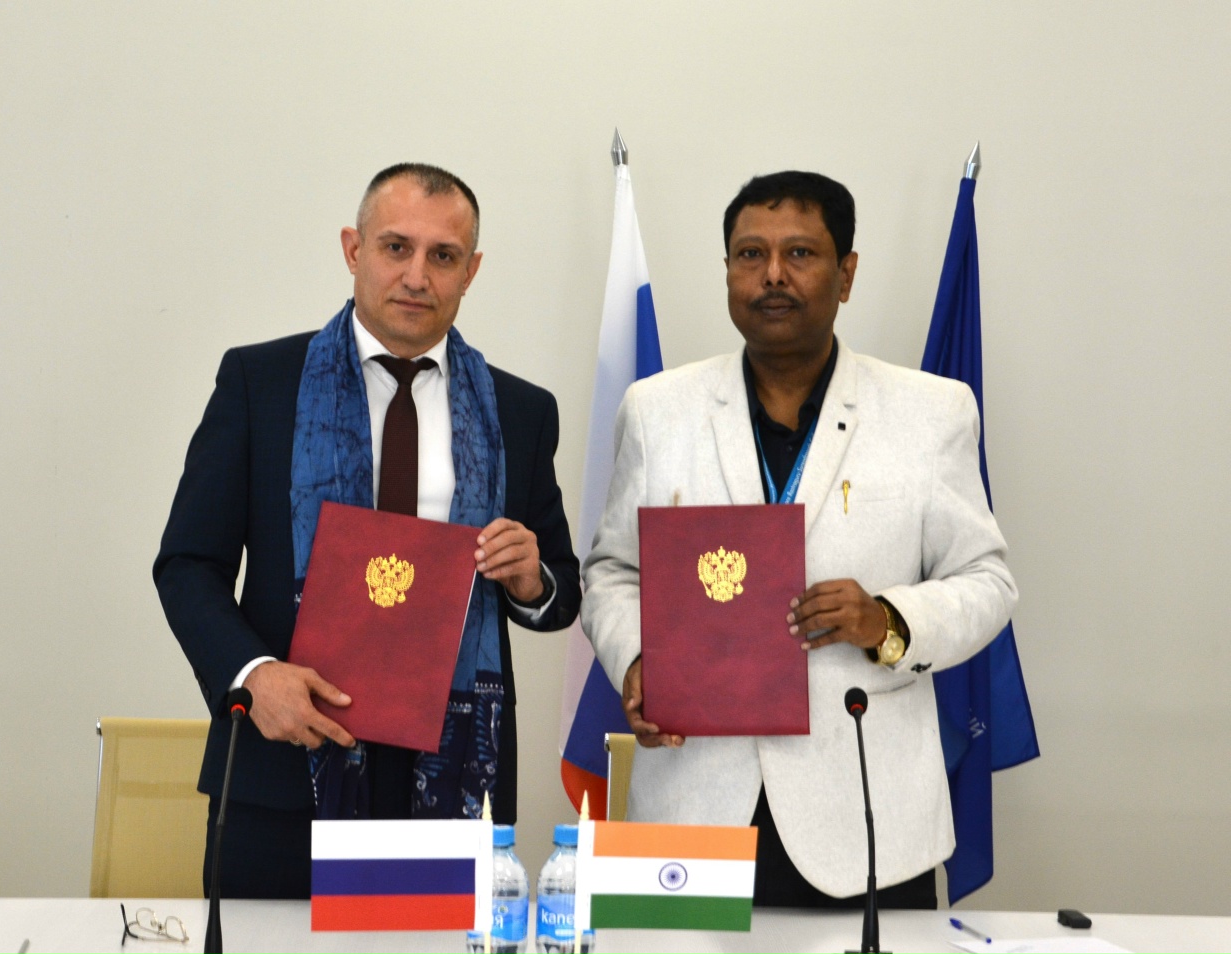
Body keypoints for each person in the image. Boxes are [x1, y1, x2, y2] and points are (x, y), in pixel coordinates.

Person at [581, 171, 1017, 908]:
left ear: (846, 274)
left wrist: (888, 620)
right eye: (750, 254)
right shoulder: (658, 410)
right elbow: (612, 572)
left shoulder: (931, 412)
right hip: (690, 807)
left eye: (801, 254)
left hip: (869, 821)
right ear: (728, 271)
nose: (773, 275)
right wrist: (636, 659)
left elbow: (987, 580)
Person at [155, 163, 580, 898]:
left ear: (471, 271)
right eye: (396, 247)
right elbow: (188, 564)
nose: (417, 275)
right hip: (284, 764)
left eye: (443, 256)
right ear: (354, 250)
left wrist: (530, 580)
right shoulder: (261, 383)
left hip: (455, 774)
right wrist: (254, 675)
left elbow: (561, 590)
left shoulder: (520, 410)